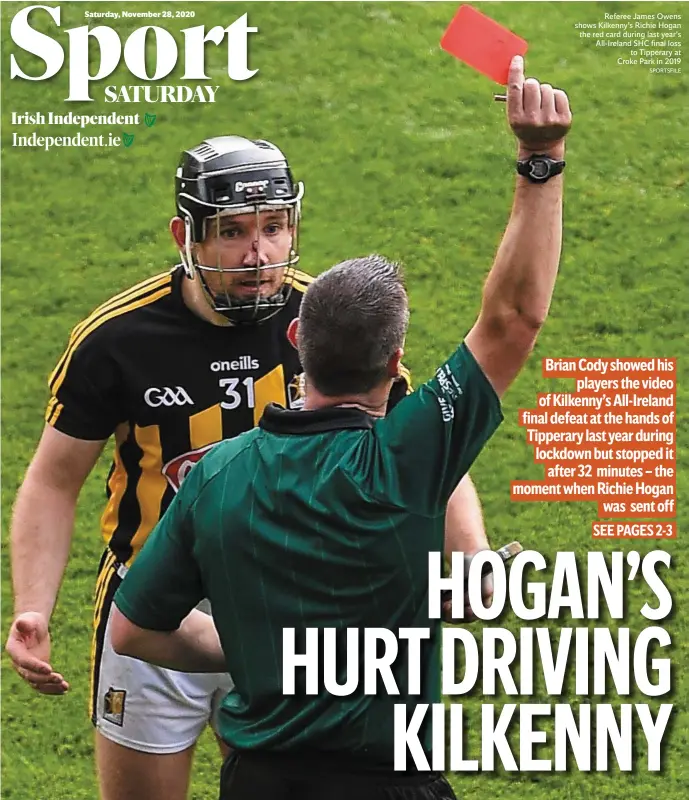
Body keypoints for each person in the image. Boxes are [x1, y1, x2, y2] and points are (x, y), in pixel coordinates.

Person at [108, 56, 572, 800]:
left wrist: (263, 651)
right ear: (395, 364)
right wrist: (538, 162)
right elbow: (511, 321)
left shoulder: (216, 474)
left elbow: (132, 632)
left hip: (259, 782)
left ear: (297, 343)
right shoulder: (410, 454)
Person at [5, 133, 488, 799]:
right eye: (232, 232)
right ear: (187, 235)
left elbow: (423, 440)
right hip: (154, 608)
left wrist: (468, 557)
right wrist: (33, 605)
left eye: (273, 228)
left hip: (282, 600)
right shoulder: (116, 340)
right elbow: (54, 481)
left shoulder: (324, 315)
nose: (257, 254)